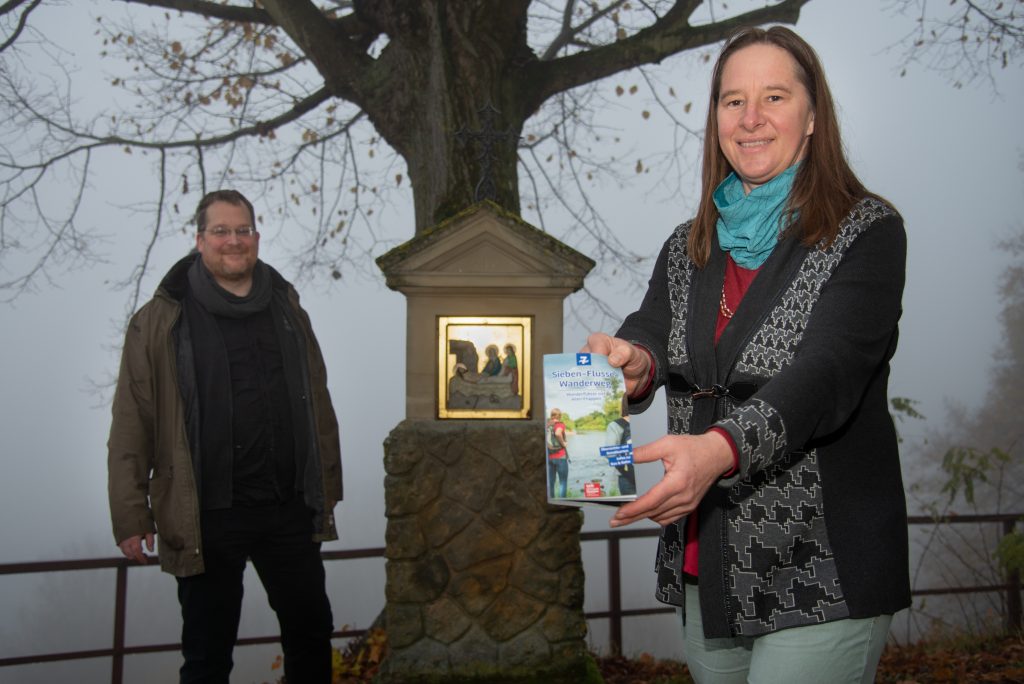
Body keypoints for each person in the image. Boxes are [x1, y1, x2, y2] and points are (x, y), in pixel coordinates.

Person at [585, 26, 910, 684]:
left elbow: (825, 376)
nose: (752, 118)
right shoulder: (687, 245)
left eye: (774, 96)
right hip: (708, 565)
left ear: (814, 116)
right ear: (715, 119)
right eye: (733, 101)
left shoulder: (868, 230)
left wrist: (719, 451)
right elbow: (649, 330)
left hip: (822, 565)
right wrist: (633, 363)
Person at [107, 189, 343, 683]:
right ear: (199, 240)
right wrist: (132, 513)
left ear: (256, 237)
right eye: (221, 231)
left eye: (243, 230)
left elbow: (317, 401)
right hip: (206, 513)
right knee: (208, 653)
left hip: (287, 507)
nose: (233, 241)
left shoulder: (286, 306)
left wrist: (327, 489)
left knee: (311, 632)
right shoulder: (161, 320)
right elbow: (134, 419)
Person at [604, 397, 635, 496]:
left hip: (626, 476)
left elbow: (609, 454)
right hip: (649, 473)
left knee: (631, 509)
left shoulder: (614, 425)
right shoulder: (646, 421)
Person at [546, 408, 570, 498]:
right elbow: (558, 433)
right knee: (563, 482)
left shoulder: (547, 425)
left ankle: (552, 501)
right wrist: (563, 443)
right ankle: (562, 503)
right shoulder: (560, 424)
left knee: (551, 482)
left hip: (549, 456)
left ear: (551, 415)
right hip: (560, 456)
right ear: (559, 416)